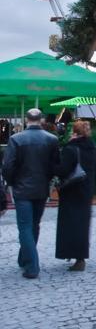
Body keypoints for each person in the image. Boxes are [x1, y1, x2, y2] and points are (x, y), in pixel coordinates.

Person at [0, 108, 60, 279]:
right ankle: (24, 258)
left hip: (22, 188)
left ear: (27, 120)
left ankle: (32, 266)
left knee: (25, 227)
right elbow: (55, 165)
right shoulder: (52, 139)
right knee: (34, 224)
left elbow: (8, 166)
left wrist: (12, 183)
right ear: (41, 120)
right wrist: (48, 180)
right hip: (41, 188)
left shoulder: (16, 139)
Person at [56, 120, 96, 271]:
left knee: (71, 224)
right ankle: (80, 256)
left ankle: (74, 255)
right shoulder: (91, 148)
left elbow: (62, 170)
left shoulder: (71, 149)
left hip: (72, 191)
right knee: (82, 224)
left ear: (74, 132)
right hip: (86, 190)